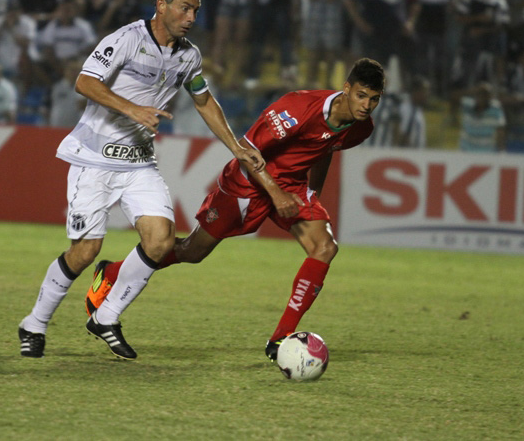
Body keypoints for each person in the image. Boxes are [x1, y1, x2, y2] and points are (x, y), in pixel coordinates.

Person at [17, 0, 265, 360]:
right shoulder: (126, 39)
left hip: (138, 162)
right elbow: (84, 82)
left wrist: (236, 146)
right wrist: (133, 109)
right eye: (185, 8)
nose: (191, 17)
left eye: (196, 10)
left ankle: (107, 316)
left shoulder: (189, 56)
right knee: (85, 251)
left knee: (162, 240)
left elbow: (203, 101)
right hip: (94, 159)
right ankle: (34, 322)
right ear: (161, 6)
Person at [83, 58, 385, 361]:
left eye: (374, 99)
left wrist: (312, 192)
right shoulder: (298, 108)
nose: (366, 105)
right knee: (192, 251)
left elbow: (325, 149)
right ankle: (110, 272)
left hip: (290, 186)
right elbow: (247, 149)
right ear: (346, 88)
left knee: (324, 247)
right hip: (247, 183)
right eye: (361, 95)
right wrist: (275, 192)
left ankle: (279, 340)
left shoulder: (362, 127)